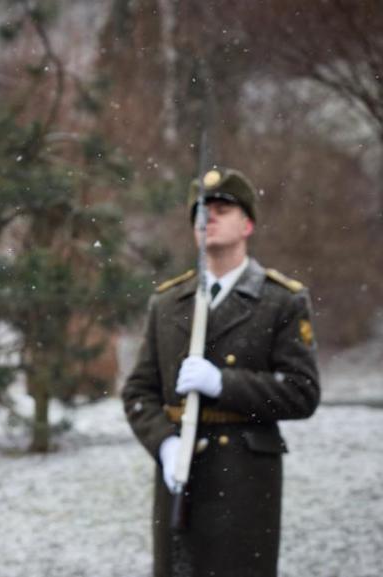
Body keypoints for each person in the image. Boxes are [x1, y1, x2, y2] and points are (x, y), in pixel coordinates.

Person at [121, 167, 320, 577]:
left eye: (221, 208)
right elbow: (139, 392)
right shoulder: (168, 302)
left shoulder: (280, 301)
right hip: (181, 477)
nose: (206, 217)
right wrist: (163, 446)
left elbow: (302, 392)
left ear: (247, 224)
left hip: (245, 480)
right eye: (199, 210)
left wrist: (222, 383)